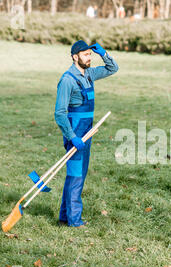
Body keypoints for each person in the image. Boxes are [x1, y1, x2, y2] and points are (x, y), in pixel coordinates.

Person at [54, 40, 119, 228]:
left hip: (87, 132)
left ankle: (65, 217)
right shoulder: (67, 80)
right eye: (85, 55)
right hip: (75, 134)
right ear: (75, 57)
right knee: (75, 175)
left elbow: (113, 68)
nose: (89, 57)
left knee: (78, 174)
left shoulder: (89, 74)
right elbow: (60, 113)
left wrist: (104, 54)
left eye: (90, 54)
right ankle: (74, 221)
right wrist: (72, 136)